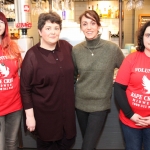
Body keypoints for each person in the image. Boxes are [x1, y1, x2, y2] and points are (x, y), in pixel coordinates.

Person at [20, 12, 76, 150]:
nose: (53, 32)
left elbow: (75, 71)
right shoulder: (32, 55)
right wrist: (30, 117)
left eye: (56, 28)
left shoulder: (66, 47)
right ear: (40, 31)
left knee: (67, 142)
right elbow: (25, 88)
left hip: (66, 114)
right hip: (44, 116)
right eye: (48, 28)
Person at [72, 10, 124, 150]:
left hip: (100, 105)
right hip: (80, 104)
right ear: (81, 27)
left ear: (98, 26)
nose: (89, 27)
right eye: (85, 24)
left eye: (92, 23)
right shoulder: (76, 50)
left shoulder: (112, 49)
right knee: (89, 143)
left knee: (87, 146)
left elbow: (126, 70)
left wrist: (116, 79)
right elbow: (72, 76)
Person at [114, 21, 150, 150]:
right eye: (148, 35)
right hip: (130, 122)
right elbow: (118, 88)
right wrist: (131, 115)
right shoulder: (131, 58)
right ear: (143, 37)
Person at [0, 12, 22, 150]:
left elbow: (20, 72)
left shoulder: (13, 47)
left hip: (14, 104)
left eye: (1, 22)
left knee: (12, 143)